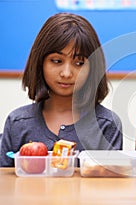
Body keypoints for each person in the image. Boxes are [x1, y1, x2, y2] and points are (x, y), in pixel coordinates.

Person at [0, 12, 123, 167]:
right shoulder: (18, 122)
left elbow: (109, 186)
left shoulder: (106, 124)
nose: (66, 73)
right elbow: (5, 183)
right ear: (40, 62)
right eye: (57, 61)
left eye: (79, 63)